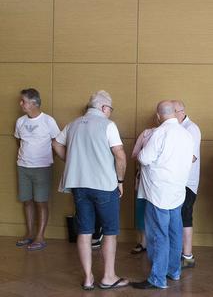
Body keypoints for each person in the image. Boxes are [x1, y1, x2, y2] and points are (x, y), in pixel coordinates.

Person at [52, 90, 129, 290]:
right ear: (104, 108)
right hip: (104, 185)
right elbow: (120, 155)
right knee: (110, 232)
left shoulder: (73, 124)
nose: (110, 113)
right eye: (110, 109)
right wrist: (120, 180)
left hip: (78, 185)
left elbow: (56, 143)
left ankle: (88, 278)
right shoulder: (108, 125)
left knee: (85, 231)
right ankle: (108, 277)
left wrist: (71, 161)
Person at [132, 101, 194, 289]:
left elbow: (143, 158)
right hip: (177, 191)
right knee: (175, 232)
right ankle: (173, 271)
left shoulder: (159, 133)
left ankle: (157, 278)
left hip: (158, 192)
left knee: (159, 234)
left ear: (158, 115)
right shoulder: (186, 134)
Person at [14, 88, 60, 251]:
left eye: (23, 101)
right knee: (27, 201)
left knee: (41, 202)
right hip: (23, 167)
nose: (21, 104)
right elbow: (19, 142)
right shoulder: (20, 122)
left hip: (42, 168)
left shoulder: (48, 121)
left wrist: (47, 159)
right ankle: (29, 234)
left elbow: (56, 144)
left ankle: (40, 236)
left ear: (34, 103)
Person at [172, 101, 202, 269]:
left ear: (181, 112)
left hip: (187, 182)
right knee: (180, 217)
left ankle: (187, 255)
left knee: (185, 216)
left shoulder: (191, 129)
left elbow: (191, 157)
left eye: (173, 111)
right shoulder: (178, 128)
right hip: (178, 181)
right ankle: (182, 253)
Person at [130, 119, 158, 254]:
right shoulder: (146, 133)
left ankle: (157, 243)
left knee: (159, 212)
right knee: (141, 209)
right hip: (144, 178)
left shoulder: (173, 134)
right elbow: (135, 155)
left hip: (162, 181)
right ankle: (143, 242)